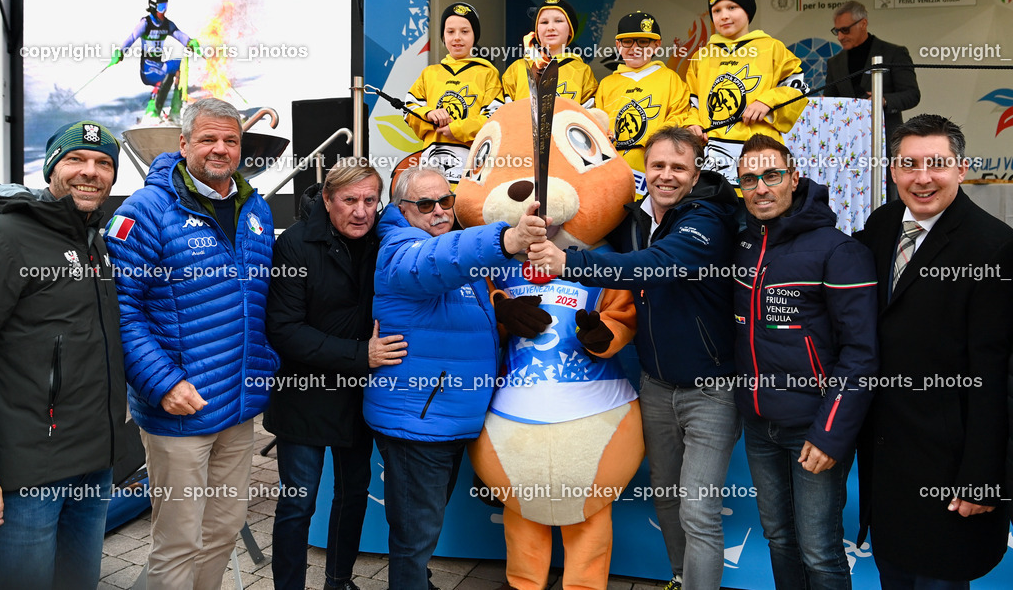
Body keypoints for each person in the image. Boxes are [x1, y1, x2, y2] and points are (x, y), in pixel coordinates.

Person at [528, 127, 740, 590]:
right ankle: (682, 578)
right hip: (656, 385)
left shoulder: (706, 221)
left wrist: (568, 264)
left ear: (695, 172)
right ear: (644, 168)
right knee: (665, 496)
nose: (666, 176)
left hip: (712, 390)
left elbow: (652, 265)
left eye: (679, 168)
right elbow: (602, 242)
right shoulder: (636, 217)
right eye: (658, 165)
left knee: (698, 507)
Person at [106, 97, 280, 590]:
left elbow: (262, 301)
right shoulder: (147, 211)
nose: (220, 149)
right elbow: (121, 307)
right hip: (178, 408)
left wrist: (266, 364)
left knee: (222, 530)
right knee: (178, 541)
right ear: (184, 144)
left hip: (239, 405)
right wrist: (162, 383)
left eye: (230, 139)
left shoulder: (256, 210)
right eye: (207, 139)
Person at [362, 166, 545, 590]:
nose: (440, 212)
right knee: (414, 537)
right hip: (417, 422)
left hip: (443, 417)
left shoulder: (448, 240)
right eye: (426, 205)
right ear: (402, 209)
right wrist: (507, 240)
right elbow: (433, 264)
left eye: (446, 201)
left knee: (423, 530)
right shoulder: (400, 248)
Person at [854, 114, 1013, 588]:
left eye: (937, 164)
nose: (922, 178)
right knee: (894, 575)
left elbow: (998, 377)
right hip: (889, 464)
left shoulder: (995, 247)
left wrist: (983, 477)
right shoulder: (882, 224)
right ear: (893, 170)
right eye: (909, 164)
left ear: (961, 169)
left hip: (951, 470)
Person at [733, 134, 878, 589]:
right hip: (759, 426)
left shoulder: (838, 250)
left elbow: (862, 354)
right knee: (779, 539)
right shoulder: (740, 244)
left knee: (820, 552)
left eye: (771, 175)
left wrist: (830, 433)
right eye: (749, 179)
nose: (761, 188)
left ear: (794, 178)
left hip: (813, 429)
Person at [0, 121, 126, 590]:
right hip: (27, 476)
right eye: (75, 160)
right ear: (52, 168)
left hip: (93, 466)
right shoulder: (6, 236)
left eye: (103, 163)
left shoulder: (95, 242)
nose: (90, 172)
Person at [264, 160, 407, 590]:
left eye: (369, 200)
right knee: (298, 503)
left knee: (351, 497)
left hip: (358, 398)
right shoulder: (294, 245)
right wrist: (360, 353)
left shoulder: (385, 240)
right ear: (327, 201)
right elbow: (285, 330)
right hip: (304, 395)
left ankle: (338, 582)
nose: (361, 211)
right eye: (349, 200)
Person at [684, 0, 807, 191]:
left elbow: (798, 86)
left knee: (757, 216)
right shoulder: (701, 56)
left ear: (748, 11)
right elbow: (691, 100)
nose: (724, 16)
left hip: (760, 153)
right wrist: (693, 123)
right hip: (713, 159)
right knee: (714, 212)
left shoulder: (772, 48)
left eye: (733, 7)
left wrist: (767, 102)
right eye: (717, 10)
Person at [824, 0, 921, 200]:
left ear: (863, 24)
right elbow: (830, 100)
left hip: (885, 143)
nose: (841, 37)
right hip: (847, 147)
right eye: (837, 31)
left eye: (845, 30)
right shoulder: (835, 63)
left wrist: (882, 101)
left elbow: (912, 94)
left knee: (890, 199)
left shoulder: (894, 53)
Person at [595, 11, 691, 197]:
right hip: (612, 174)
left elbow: (681, 116)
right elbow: (598, 125)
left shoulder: (670, 78)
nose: (635, 48)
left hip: (655, 175)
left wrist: (650, 139)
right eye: (628, 41)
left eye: (643, 42)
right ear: (618, 45)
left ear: (656, 45)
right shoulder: (607, 84)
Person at [404, 2, 503, 145]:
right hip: (432, 158)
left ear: (475, 36)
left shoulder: (488, 74)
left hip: (473, 160)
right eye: (450, 32)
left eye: (464, 31)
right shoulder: (429, 73)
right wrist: (428, 114)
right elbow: (408, 109)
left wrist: (457, 129)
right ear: (443, 36)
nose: (457, 37)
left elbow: (495, 117)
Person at [109, 0, 202, 123]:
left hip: (159, 66)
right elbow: (132, 37)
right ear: (153, 7)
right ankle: (152, 112)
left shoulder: (167, 24)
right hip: (148, 68)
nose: (164, 11)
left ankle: (176, 110)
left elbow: (178, 34)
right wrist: (120, 52)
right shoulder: (145, 24)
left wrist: (190, 42)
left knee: (180, 65)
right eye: (161, 7)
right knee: (170, 70)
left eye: (166, 7)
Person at [502, 0, 598, 106]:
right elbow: (504, 115)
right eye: (544, 22)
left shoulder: (582, 71)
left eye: (558, 21)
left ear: (570, 30)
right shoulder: (517, 69)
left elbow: (588, 117)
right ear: (536, 30)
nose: (550, 27)